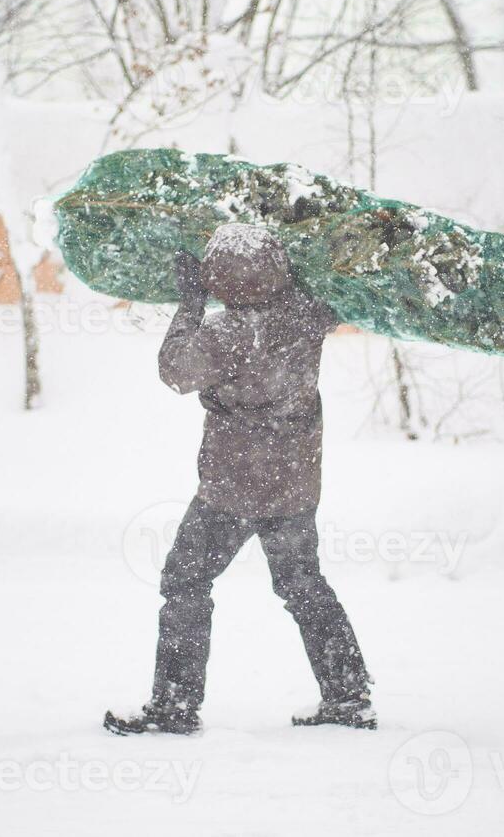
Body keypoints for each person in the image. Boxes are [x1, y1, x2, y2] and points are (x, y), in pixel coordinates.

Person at [104, 222, 374, 735]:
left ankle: (175, 706)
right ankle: (349, 694)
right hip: (295, 483)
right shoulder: (306, 312)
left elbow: (175, 371)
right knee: (303, 585)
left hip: (234, 487)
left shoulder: (228, 332)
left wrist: (188, 305)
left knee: (185, 579)